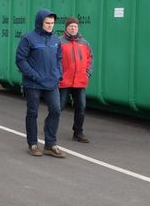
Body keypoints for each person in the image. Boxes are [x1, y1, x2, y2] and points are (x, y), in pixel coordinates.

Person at [16, 9, 66, 158]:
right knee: (33, 113)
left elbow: (59, 59)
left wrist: (58, 74)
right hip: (33, 84)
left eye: (52, 23)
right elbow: (20, 60)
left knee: (56, 110)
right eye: (47, 23)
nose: (50, 26)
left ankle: (50, 145)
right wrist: (35, 76)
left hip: (51, 83)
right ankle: (32, 144)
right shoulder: (28, 38)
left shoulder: (56, 40)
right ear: (40, 23)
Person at [59, 17, 93, 143]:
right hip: (65, 80)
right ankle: (50, 127)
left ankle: (78, 132)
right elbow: (56, 60)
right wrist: (58, 74)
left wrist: (87, 73)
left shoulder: (84, 43)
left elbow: (90, 59)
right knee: (59, 106)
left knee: (81, 107)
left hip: (79, 81)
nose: (73, 28)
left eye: (75, 26)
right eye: (71, 26)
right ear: (66, 28)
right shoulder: (59, 42)